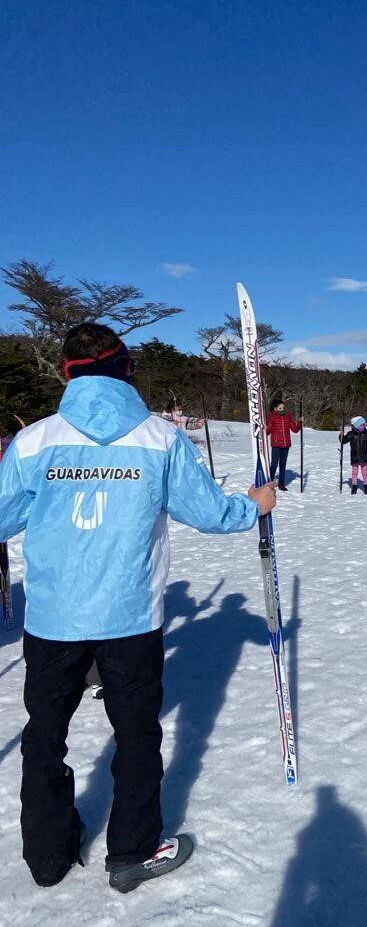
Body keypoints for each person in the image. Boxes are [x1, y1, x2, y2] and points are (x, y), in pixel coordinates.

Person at [0, 323, 276, 893]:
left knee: (45, 733)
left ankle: (48, 856)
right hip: (129, 618)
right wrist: (253, 507)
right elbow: (207, 511)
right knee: (135, 734)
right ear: (126, 371)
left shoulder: (36, 442)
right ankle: (131, 850)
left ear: (68, 373)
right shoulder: (159, 438)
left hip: (54, 619)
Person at [266, 398, 302, 491]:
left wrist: (300, 422)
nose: (282, 410)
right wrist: (265, 428)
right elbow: (268, 431)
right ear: (275, 409)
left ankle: (281, 484)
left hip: (286, 444)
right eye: (280, 408)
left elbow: (295, 429)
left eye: (283, 408)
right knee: (274, 464)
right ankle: (269, 484)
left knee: (283, 465)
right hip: (276, 444)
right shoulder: (272, 417)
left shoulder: (287, 417)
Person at [340, 415, 367, 494]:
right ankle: (354, 487)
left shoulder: (366, 433)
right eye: (361, 425)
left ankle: (366, 487)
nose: (363, 426)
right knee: (354, 473)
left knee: (365, 473)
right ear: (356, 425)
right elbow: (343, 441)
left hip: (364, 457)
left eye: (364, 425)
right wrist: (341, 435)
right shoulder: (351, 434)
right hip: (355, 457)